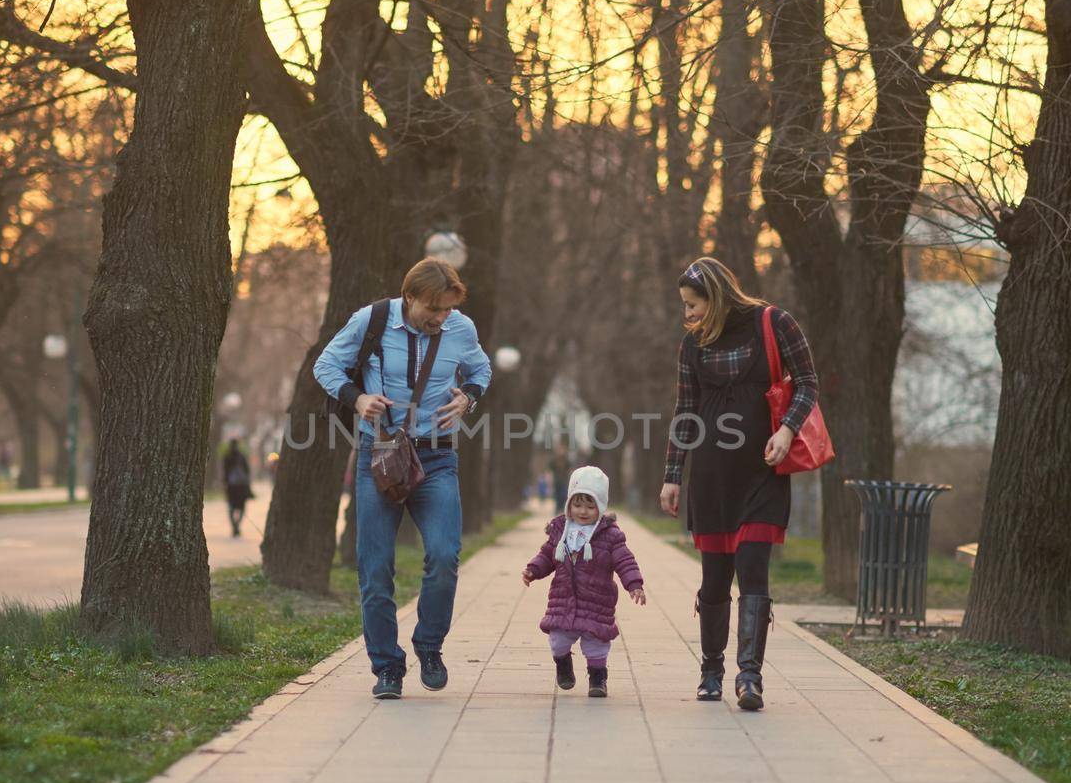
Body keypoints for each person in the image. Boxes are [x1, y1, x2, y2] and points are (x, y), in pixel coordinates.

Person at [314, 257, 492, 700]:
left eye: (447, 310)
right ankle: (387, 668)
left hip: (437, 457)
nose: (440, 319)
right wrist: (357, 399)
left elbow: (482, 370)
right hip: (381, 456)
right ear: (409, 297)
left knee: (445, 555)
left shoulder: (460, 329)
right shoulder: (371, 320)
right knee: (375, 568)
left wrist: (468, 397)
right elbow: (326, 366)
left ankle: (429, 647)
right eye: (433, 309)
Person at [659, 257, 818, 712]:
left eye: (693, 305)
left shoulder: (773, 323)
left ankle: (750, 677)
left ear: (717, 296)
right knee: (714, 579)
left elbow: (807, 382)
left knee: (752, 566)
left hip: (762, 473)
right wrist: (672, 477)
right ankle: (711, 670)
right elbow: (684, 411)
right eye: (685, 306)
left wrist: (787, 428)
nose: (687, 315)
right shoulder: (692, 347)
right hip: (710, 476)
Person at [522, 466, 646, 698]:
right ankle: (563, 665)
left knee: (596, 645)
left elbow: (625, 561)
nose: (583, 511)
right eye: (577, 505)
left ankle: (598, 679)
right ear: (569, 504)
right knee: (558, 641)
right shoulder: (560, 531)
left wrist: (634, 584)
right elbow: (547, 555)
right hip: (563, 600)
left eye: (591, 506)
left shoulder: (610, 536)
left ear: (601, 507)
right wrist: (533, 570)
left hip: (596, 602)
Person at [222, 439, 254, 537]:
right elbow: (247, 471)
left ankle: (234, 526)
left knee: (231, 507)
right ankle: (237, 525)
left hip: (231, 486)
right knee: (242, 508)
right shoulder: (242, 456)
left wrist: (224, 483)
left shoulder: (227, 456)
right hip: (241, 486)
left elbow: (225, 472)